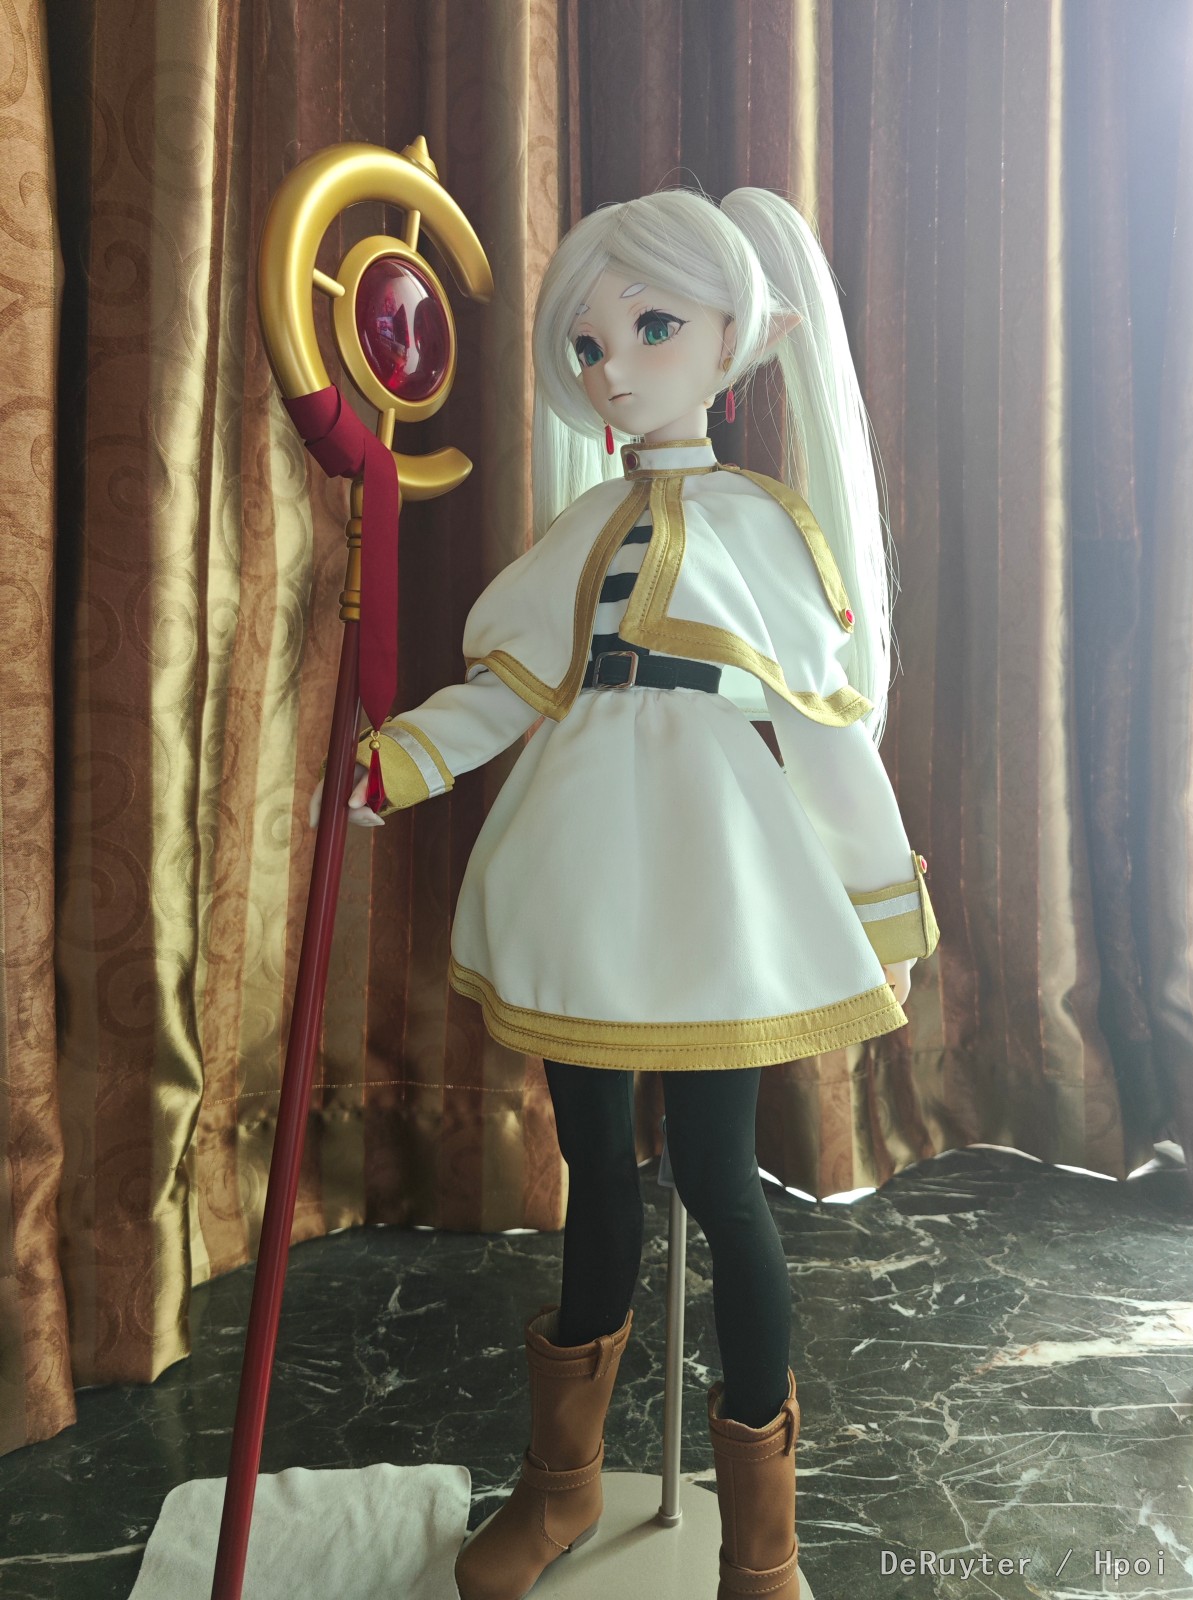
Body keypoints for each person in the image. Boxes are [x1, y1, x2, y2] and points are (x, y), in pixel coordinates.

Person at [310, 185, 940, 1600]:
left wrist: (875, 902)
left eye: (652, 329)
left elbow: (825, 736)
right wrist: (403, 760)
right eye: (590, 344)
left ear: (740, 336)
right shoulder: (586, 526)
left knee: (721, 1180)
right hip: (583, 873)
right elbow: (511, 688)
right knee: (595, 1172)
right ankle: (562, 1486)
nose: (613, 368)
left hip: (715, 888)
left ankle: (764, 1540)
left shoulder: (768, 528)